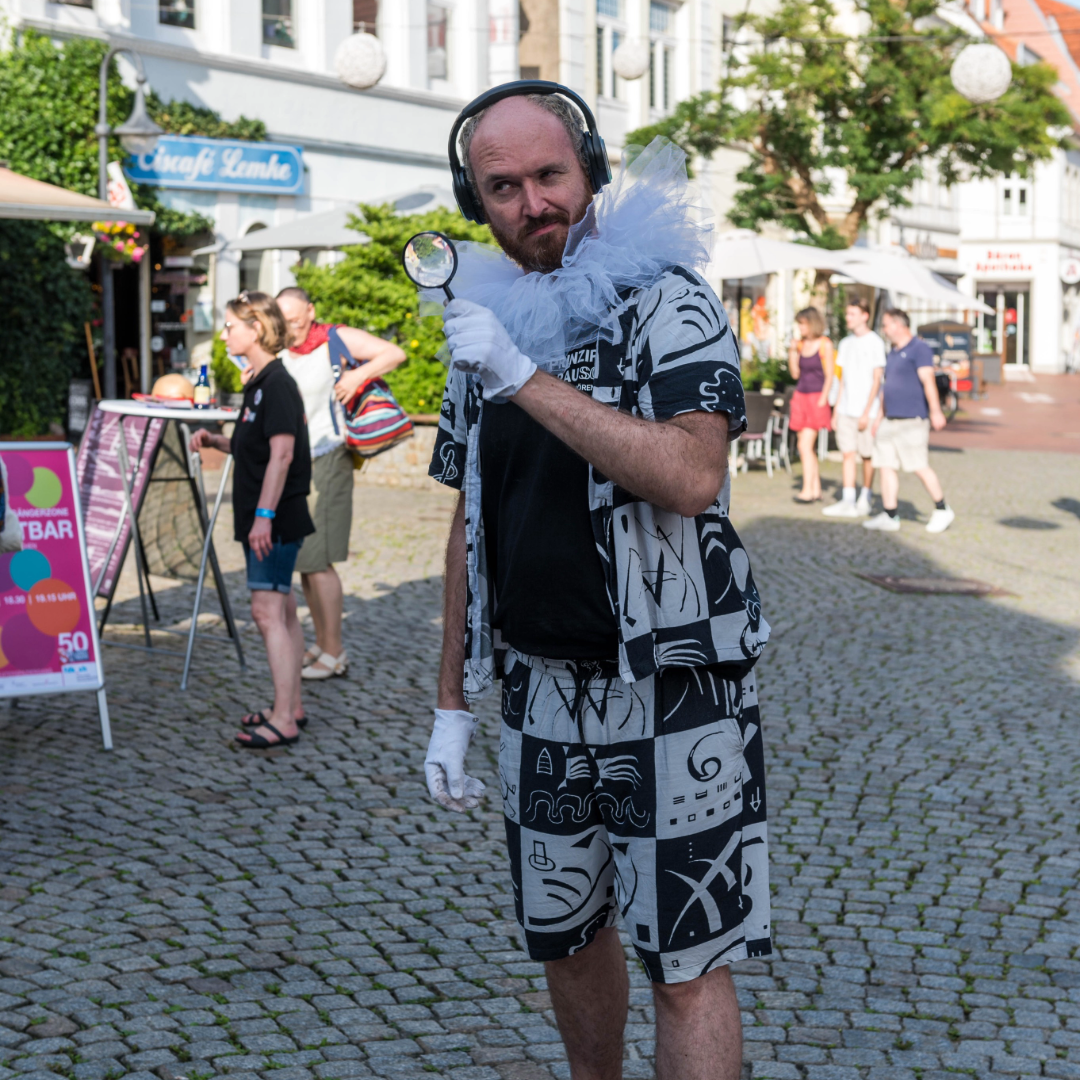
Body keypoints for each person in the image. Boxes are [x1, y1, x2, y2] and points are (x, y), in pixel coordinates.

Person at [423, 83, 771, 1080]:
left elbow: (692, 475)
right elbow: (468, 515)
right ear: (475, 201)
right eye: (502, 187)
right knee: (566, 940)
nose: (532, 203)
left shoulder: (671, 301)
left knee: (686, 963)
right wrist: (451, 702)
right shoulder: (478, 319)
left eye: (550, 176)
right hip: (536, 691)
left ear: (592, 172)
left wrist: (523, 379)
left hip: (672, 686)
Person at [190, 291, 314, 746]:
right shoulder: (260, 382)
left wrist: (263, 516)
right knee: (283, 609)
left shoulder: (276, 383)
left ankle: (282, 719)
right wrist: (217, 441)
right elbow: (258, 445)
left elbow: (282, 455)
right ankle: (290, 707)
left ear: (256, 327)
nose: (224, 335)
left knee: (266, 612)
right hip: (270, 517)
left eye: (230, 326)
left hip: (274, 519)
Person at [275, 286, 407, 680]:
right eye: (283, 322)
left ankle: (335, 652)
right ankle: (321, 642)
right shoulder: (279, 346)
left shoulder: (333, 338)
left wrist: (358, 374)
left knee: (319, 561)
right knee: (305, 561)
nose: (290, 329)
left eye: (295, 321)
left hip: (328, 458)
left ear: (310, 311)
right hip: (296, 462)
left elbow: (394, 353)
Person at [864, 308, 955, 533]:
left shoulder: (919, 348)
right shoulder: (893, 352)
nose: (884, 330)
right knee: (885, 466)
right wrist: (878, 418)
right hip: (890, 419)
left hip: (912, 419)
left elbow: (928, 380)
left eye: (886, 325)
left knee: (918, 465)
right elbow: (887, 387)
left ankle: (942, 509)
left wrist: (935, 411)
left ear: (898, 325)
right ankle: (890, 515)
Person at [823, 297, 886, 518]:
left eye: (852, 314)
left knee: (867, 455)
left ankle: (865, 497)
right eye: (847, 313)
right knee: (847, 454)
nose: (848, 318)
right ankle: (848, 499)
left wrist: (867, 412)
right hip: (845, 410)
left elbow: (877, 380)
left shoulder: (875, 342)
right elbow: (842, 380)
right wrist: (836, 410)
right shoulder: (845, 343)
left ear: (865, 316)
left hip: (867, 411)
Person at [787, 307, 834, 503]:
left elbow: (830, 375)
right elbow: (795, 374)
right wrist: (792, 351)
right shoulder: (800, 345)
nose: (800, 327)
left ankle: (807, 490)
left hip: (816, 398)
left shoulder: (825, 344)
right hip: (800, 397)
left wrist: (823, 399)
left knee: (804, 445)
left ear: (812, 323)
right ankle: (816, 489)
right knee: (808, 447)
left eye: (803, 323)